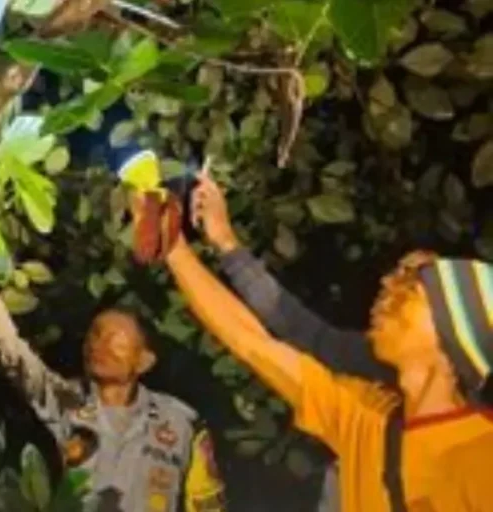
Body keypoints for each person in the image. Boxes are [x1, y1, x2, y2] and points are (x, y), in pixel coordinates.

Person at [161, 174, 493, 511]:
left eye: (409, 288)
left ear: (448, 331)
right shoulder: (364, 416)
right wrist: (173, 248)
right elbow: (251, 342)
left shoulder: (482, 457)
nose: (386, 286)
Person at [197, 172, 398, 512]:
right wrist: (218, 243)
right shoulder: (366, 393)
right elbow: (279, 329)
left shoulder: (473, 442)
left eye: (411, 287)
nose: (389, 287)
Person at [0, 293, 226, 511]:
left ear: (144, 361)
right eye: (95, 335)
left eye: (115, 342)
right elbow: (11, 352)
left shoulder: (181, 423)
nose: (99, 347)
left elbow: (208, 506)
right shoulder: (64, 399)